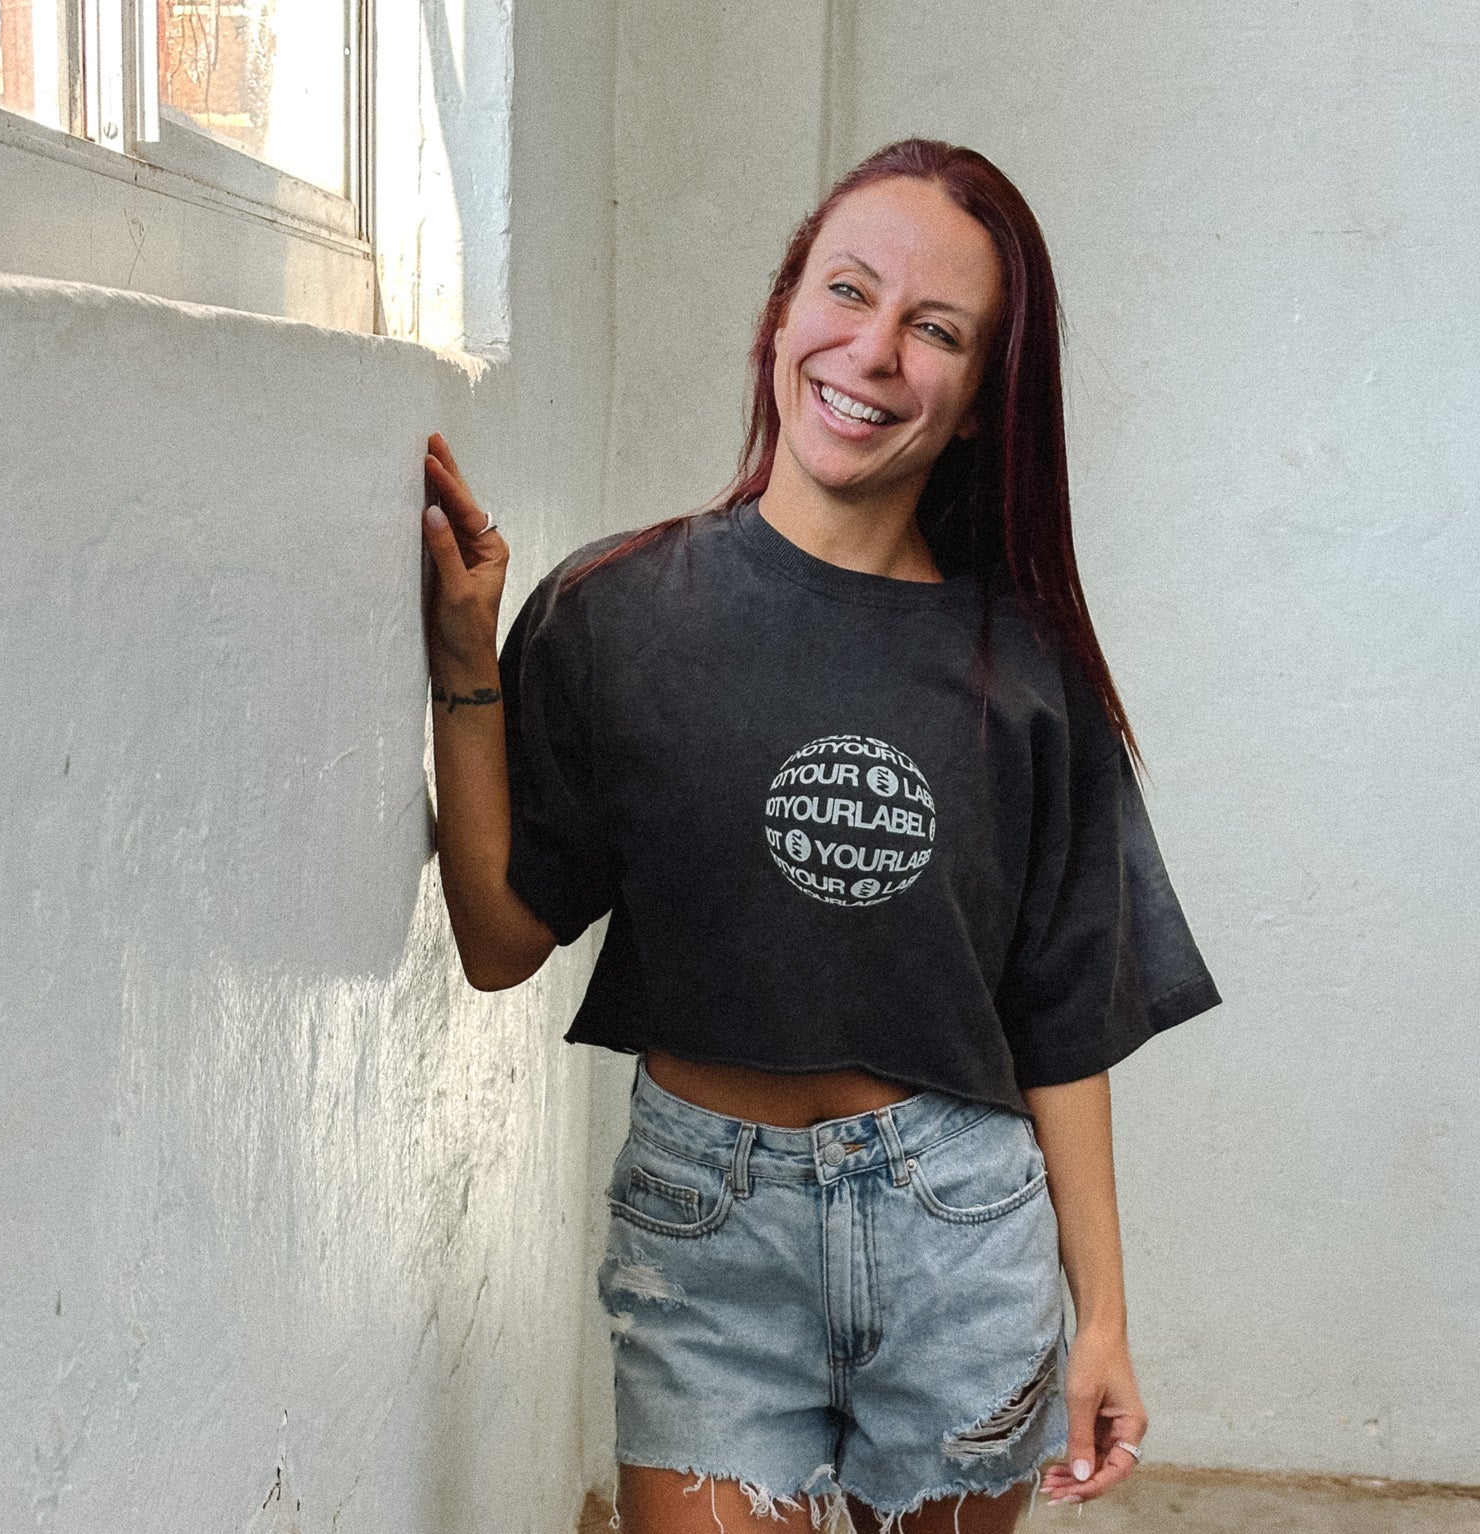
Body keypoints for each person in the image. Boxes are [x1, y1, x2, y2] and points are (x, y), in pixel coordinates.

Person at [419, 138, 1220, 1534]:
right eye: (846, 291)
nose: (875, 349)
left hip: (961, 1232)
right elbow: (497, 941)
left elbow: (1062, 1019)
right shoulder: (614, 612)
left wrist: (1105, 1319)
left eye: (938, 330)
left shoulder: (1028, 673)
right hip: (705, 1241)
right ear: (782, 314)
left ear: (978, 403)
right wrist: (462, 662)